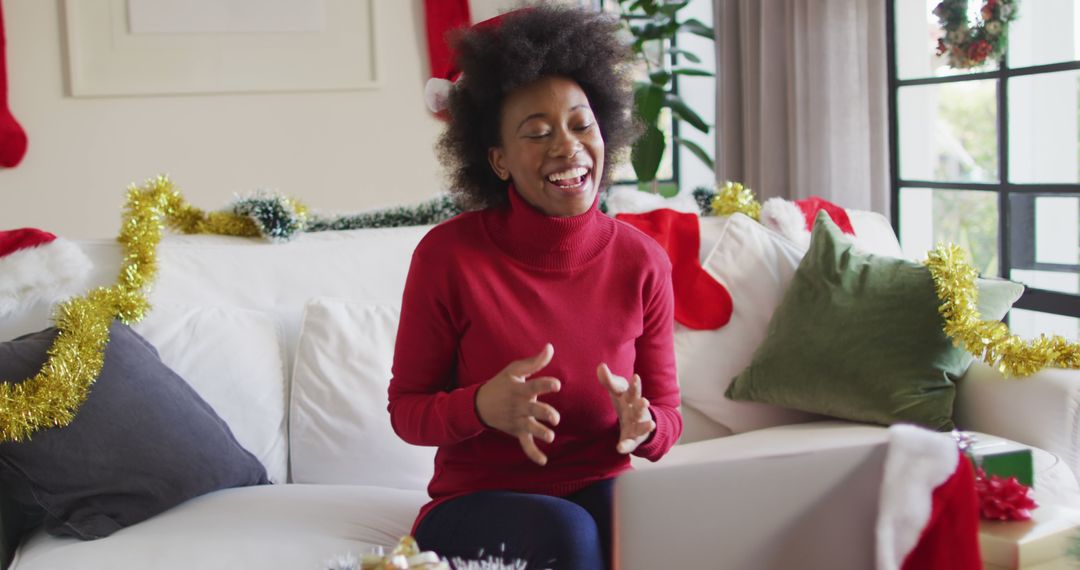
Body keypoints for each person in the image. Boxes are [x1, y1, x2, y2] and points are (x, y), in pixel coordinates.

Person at [387, 6, 681, 569]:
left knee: (660, 524)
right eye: (537, 132)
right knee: (568, 532)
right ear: (496, 160)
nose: (567, 148)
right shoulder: (448, 257)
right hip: (473, 501)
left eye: (581, 123)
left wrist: (645, 427)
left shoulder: (641, 259)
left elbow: (666, 414)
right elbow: (407, 412)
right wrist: (481, 405)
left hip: (601, 484)